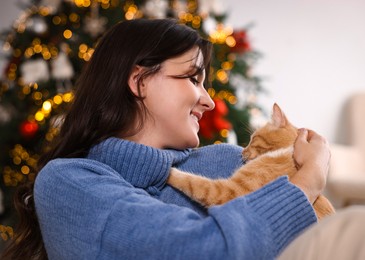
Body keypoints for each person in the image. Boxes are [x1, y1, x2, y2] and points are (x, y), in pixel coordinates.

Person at [2, 18, 330, 259]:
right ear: (140, 81)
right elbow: (197, 251)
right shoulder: (69, 182)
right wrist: (309, 180)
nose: (209, 101)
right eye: (192, 78)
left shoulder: (231, 158)